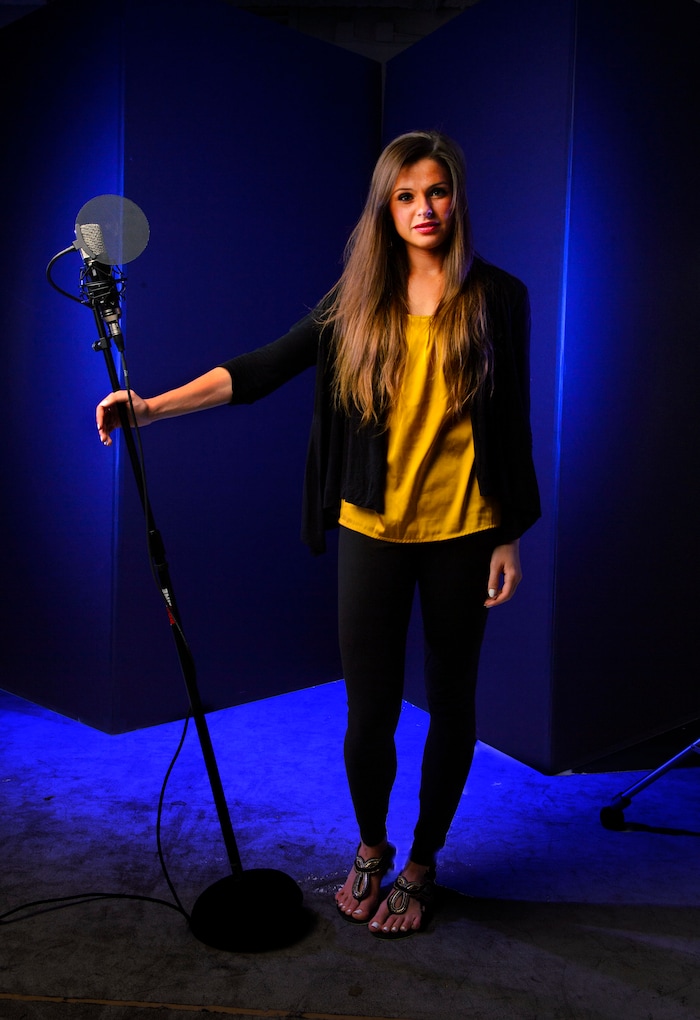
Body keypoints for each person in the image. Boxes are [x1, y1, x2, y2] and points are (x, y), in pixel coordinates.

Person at [96, 130, 540, 939]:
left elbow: (511, 424)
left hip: (465, 533)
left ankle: (423, 862)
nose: (422, 209)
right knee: (368, 715)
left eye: (435, 192)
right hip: (371, 528)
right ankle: (372, 846)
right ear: (385, 207)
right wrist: (150, 407)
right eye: (405, 196)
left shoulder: (499, 298)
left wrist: (509, 534)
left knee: (452, 706)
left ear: (457, 197)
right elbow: (261, 368)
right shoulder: (357, 302)